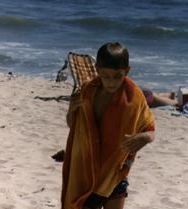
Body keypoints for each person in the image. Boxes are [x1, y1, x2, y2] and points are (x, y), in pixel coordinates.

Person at [61, 42, 155, 209]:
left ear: (127, 71)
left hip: (115, 171)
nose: (111, 82)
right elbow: (74, 127)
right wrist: (71, 110)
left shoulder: (134, 97)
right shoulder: (87, 91)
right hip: (85, 170)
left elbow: (149, 126)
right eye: (106, 76)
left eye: (117, 76)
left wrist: (145, 138)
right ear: (97, 70)